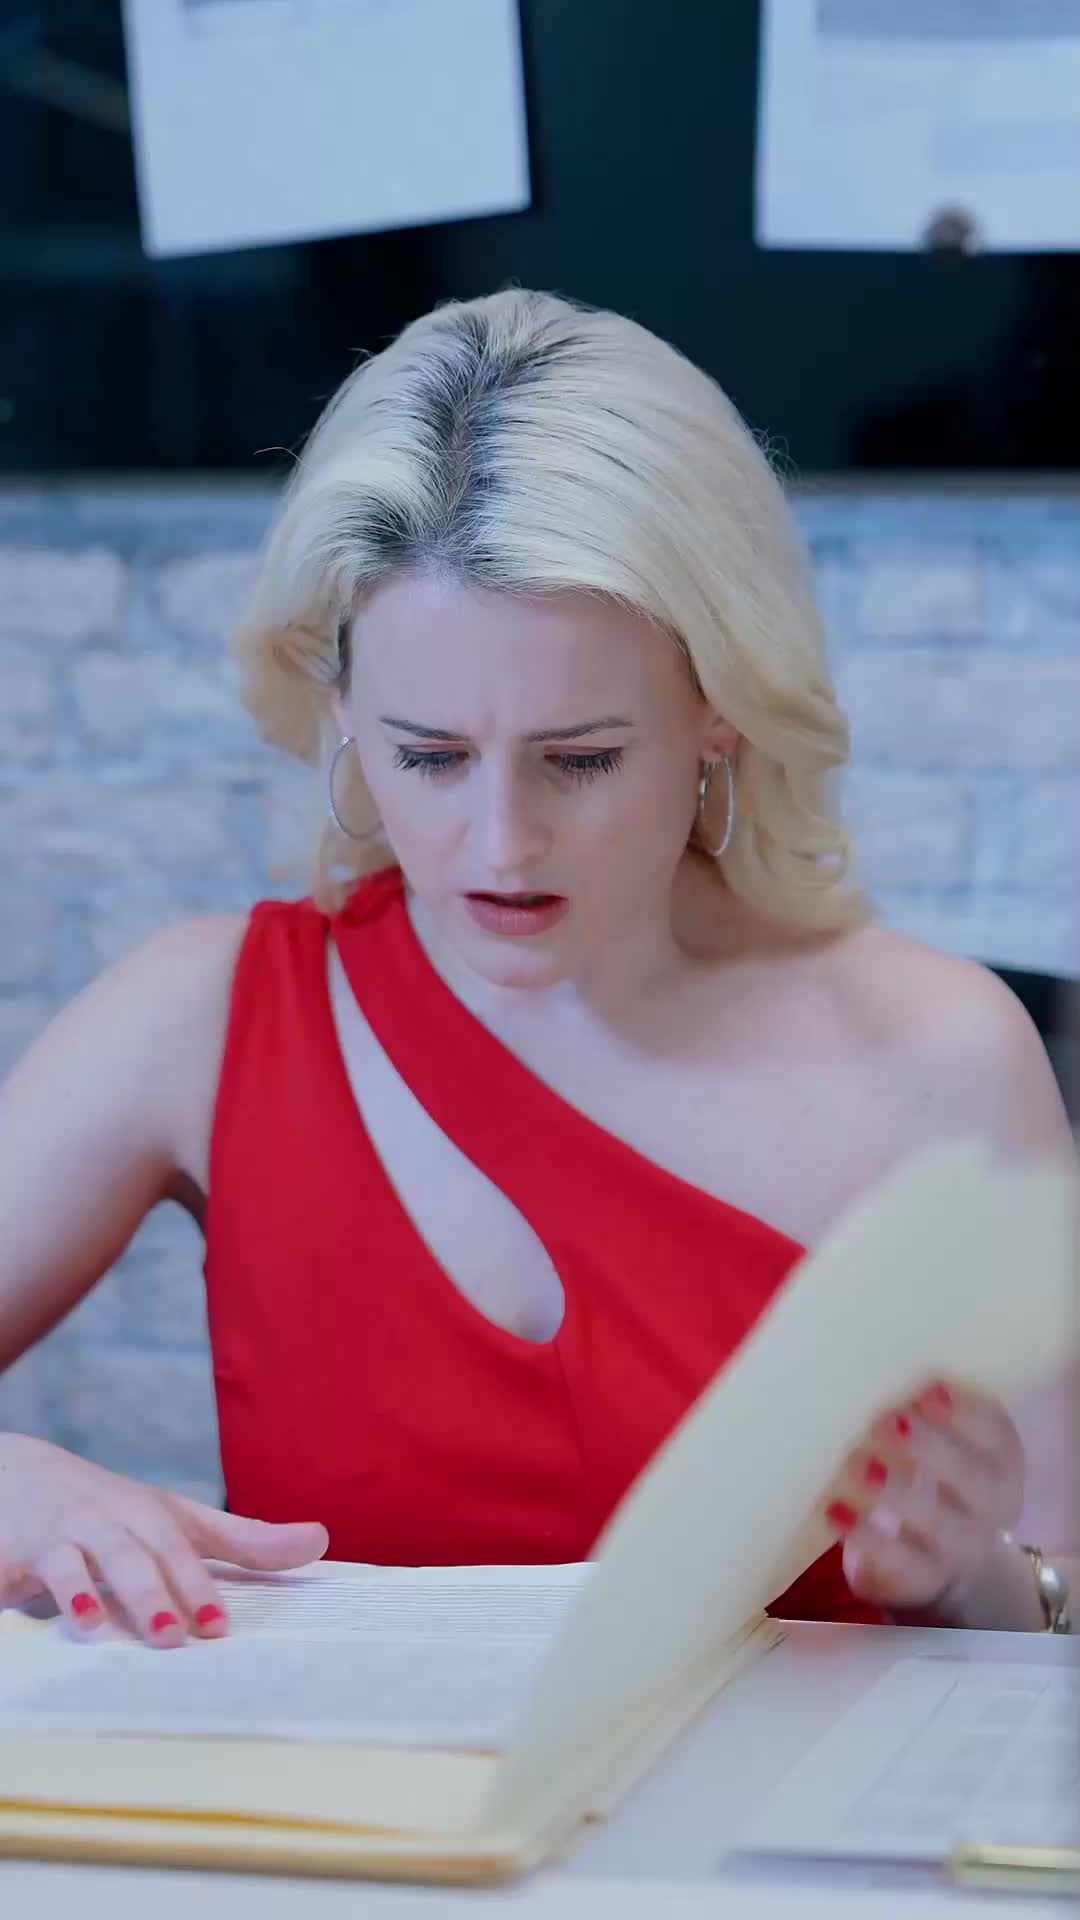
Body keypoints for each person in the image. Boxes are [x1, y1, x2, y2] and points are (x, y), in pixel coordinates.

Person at [0, 289, 1074, 1651]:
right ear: (342, 711)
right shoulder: (202, 1019)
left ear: (719, 713)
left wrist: (976, 1580)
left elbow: (1061, 1584)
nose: (501, 843)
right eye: (430, 756)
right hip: (335, 1795)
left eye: (581, 759)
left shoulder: (937, 1056)